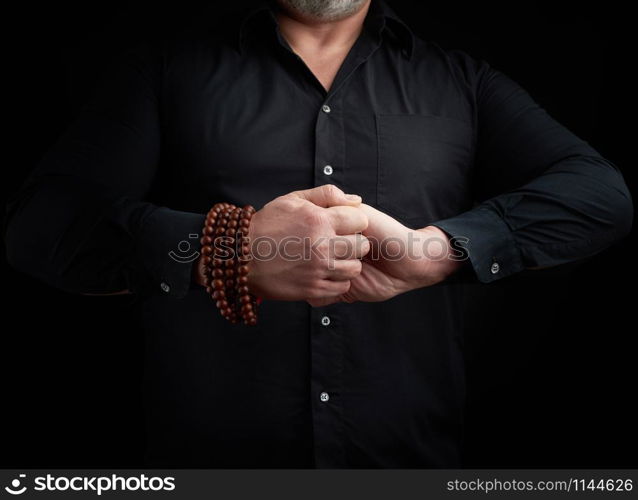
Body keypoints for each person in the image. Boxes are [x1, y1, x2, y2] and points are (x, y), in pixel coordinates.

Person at [4, 0, 632, 467]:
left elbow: (599, 197)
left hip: (413, 468)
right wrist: (235, 251)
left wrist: (436, 252)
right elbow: (42, 226)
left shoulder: (461, 81)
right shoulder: (165, 72)